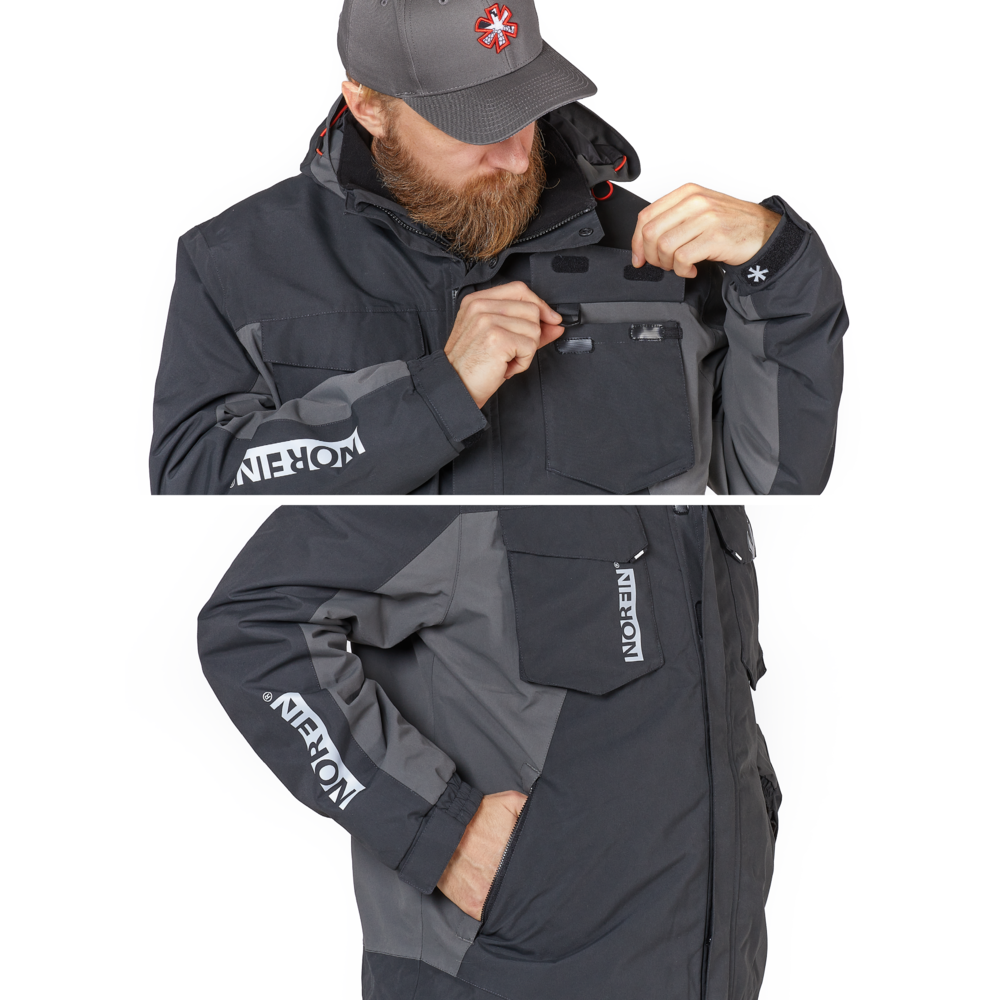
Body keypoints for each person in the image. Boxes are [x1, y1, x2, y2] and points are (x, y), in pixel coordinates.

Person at [151, 0, 847, 494]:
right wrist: (437, 393)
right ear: (368, 107)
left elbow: (774, 490)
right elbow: (193, 488)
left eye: (526, 110)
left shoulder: (651, 253)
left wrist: (778, 268)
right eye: (475, 125)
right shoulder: (235, 263)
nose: (517, 158)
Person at [198, 505, 781, 1000]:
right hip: (499, 972)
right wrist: (436, 831)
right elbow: (253, 622)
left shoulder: (695, 481)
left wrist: (755, 806)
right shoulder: (474, 455)